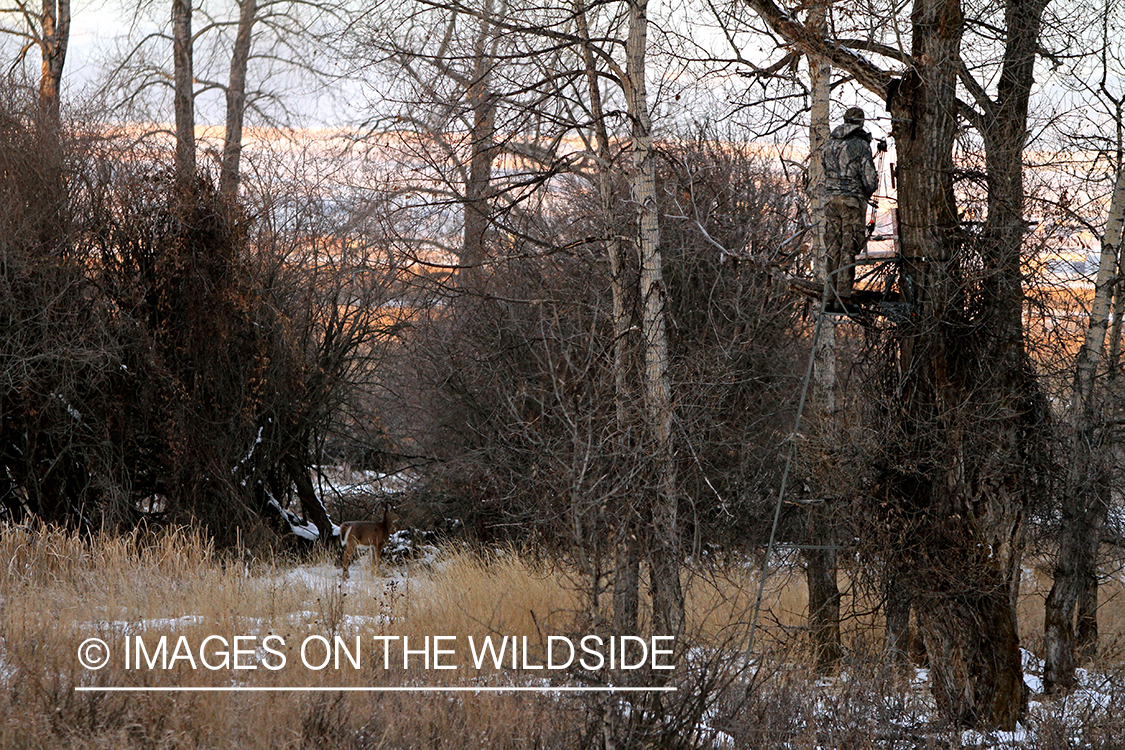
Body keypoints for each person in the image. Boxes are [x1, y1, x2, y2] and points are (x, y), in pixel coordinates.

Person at [822, 106, 878, 304]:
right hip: (851, 202)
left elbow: (824, 170)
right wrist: (868, 190)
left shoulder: (830, 143)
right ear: (860, 123)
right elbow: (870, 180)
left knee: (832, 247)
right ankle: (843, 297)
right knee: (848, 247)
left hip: (830, 201)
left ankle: (829, 296)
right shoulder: (860, 145)